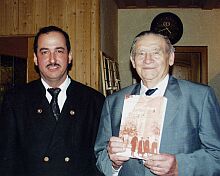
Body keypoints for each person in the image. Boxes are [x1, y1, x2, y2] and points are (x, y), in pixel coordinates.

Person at [94, 30, 220, 176]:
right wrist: (114, 163)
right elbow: (101, 155)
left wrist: (179, 166)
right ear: (133, 61)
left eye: (156, 52)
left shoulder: (199, 97)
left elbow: (216, 155)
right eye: (141, 53)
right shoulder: (114, 102)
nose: (148, 60)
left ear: (171, 58)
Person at [0, 25, 105, 176]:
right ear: (36, 59)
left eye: (59, 51)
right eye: (44, 52)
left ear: (69, 56)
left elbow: (100, 161)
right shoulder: (15, 100)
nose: (52, 59)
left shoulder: (94, 101)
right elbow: (7, 160)